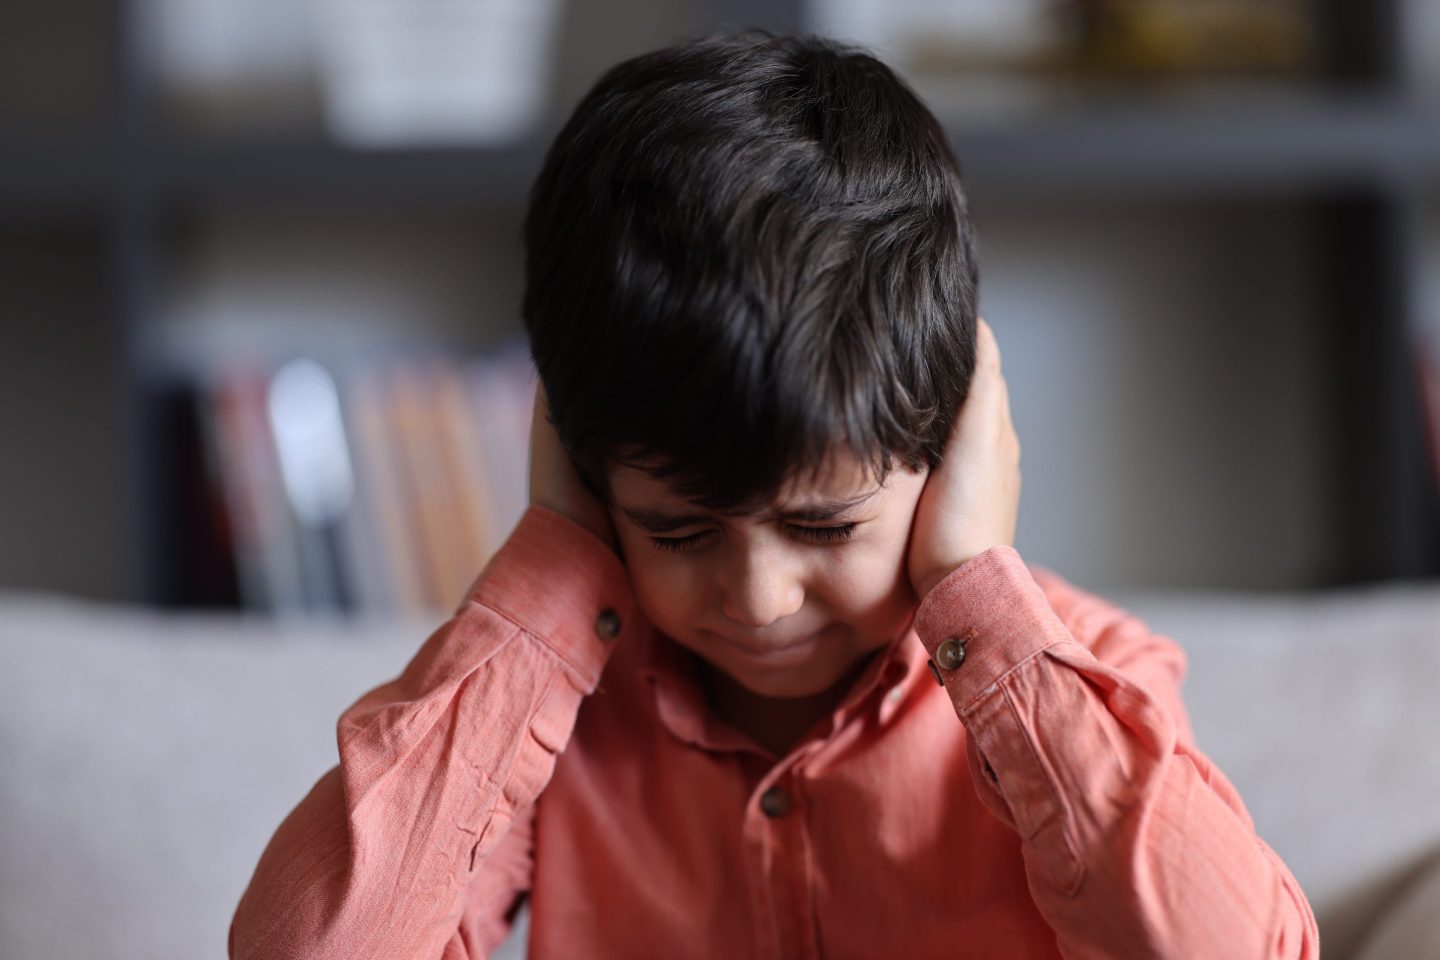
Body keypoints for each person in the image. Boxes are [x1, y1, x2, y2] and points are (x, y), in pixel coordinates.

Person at [229, 30, 1319, 959]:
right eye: (679, 528)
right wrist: (557, 556)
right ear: (590, 475)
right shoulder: (550, 720)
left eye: (824, 525)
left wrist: (976, 592)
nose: (756, 600)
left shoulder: (1070, 685)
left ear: (951, 450)